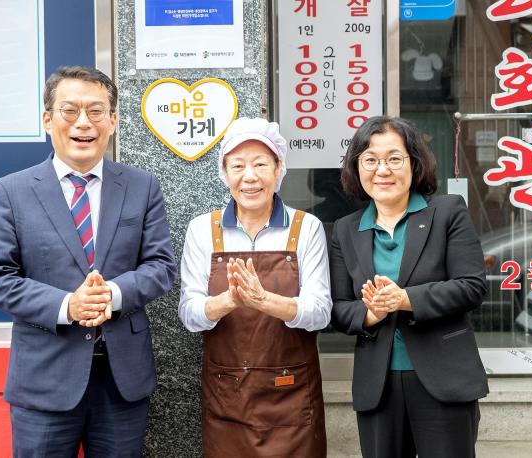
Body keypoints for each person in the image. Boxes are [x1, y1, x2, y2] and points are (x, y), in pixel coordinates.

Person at [0, 66, 177, 457]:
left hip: (121, 382)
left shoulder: (141, 186)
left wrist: (113, 295)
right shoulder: (12, 191)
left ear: (114, 121)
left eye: (96, 111)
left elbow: (161, 265)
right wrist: (68, 305)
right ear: (48, 119)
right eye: (70, 111)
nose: (83, 123)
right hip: (44, 379)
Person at [330, 116, 488, 458]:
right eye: (370, 159)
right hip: (379, 383)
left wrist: (406, 299)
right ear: (356, 167)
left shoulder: (446, 212)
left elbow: (472, 286)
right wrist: (370, 312)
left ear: (414, 163)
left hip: (442, 377)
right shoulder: (346, 229)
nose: (382, 169)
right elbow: (339, 308)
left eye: (394, 158)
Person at [179, 117, 331, 457]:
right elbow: (189, 314)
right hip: (226, 398)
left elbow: (320, 312)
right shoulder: (203, 230)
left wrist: (265, 300)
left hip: (291, 396)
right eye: (238, 166)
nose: (249, 177)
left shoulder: (306, 228)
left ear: (279, 170)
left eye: (261, 164)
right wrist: (229, 300)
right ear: (224, 173)